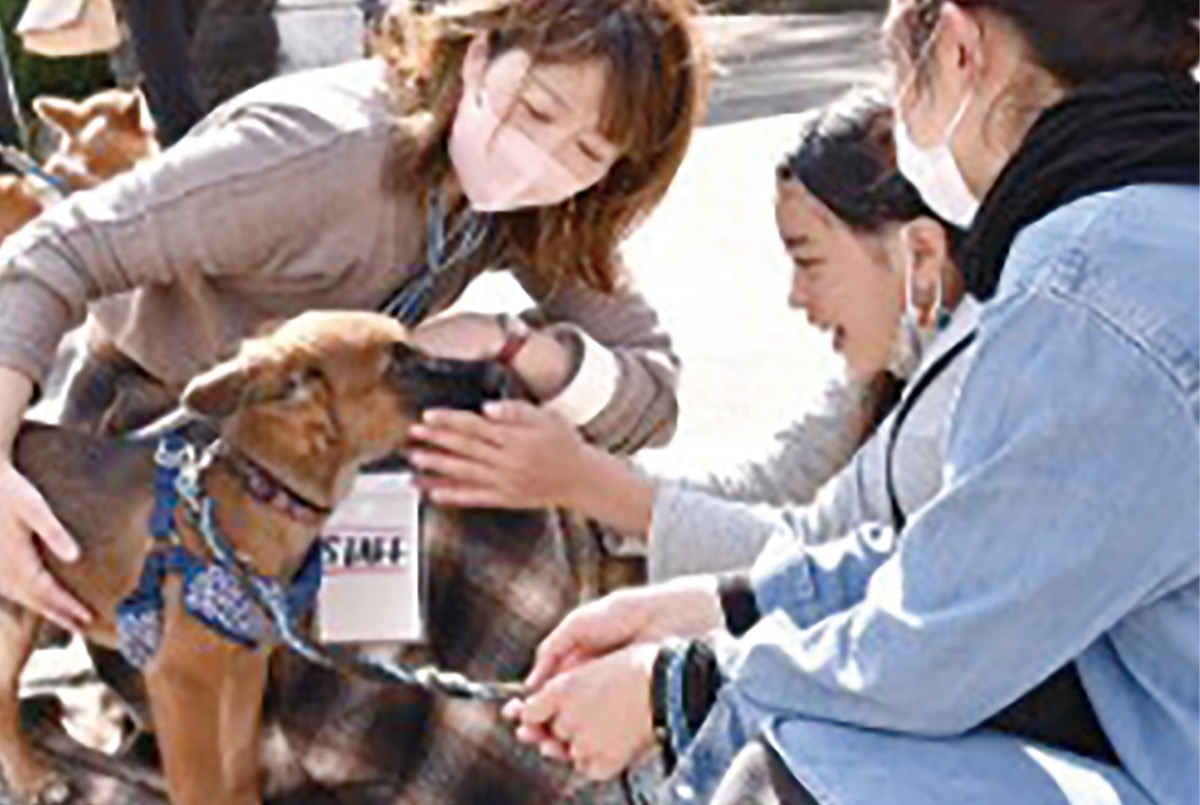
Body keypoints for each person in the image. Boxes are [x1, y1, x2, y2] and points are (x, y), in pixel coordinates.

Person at [0, 0, 708, 800]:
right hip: (163, 448)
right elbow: (51, 249)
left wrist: (507, 339)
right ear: (479, 55)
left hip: (328, 439)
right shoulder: (316, 153)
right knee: (451, 493)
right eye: (537, 110)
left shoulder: (527, 205)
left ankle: (409, 762)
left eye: (588, 151)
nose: (542, 157)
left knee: (507, 442)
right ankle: (325, 752)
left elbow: (650, 391)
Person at [498, 0, 1200, 802]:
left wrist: (682, 682)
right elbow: (965, 555)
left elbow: (942, 644)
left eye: (900, 76)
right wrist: (726, 603)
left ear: (960, 49)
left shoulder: (1087, 287)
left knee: (805, 761)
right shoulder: (1143, 233)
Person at [408, 89, 981, 585]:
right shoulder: (892, 374)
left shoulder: (968, 391)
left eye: (810, 262)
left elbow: (822, 555)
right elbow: (774, 485)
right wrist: (574, 479)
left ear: (921, 252)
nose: (796, 295)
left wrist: (586, 481)